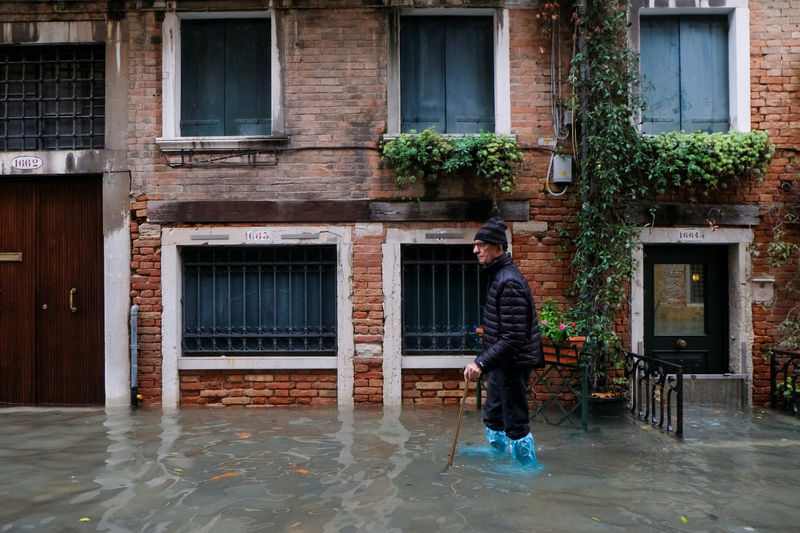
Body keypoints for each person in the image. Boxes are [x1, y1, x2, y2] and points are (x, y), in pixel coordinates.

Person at [463, 217, 544, 465]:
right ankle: (497, 457)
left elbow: (514, 337)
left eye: (481, 244)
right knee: (494, 415)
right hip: (501, 363)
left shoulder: (509, 281)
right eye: (476, 244)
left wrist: (481, 364)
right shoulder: (499, 276)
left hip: (513, 363)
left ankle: (528, 469)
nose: (475, 249)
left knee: (515, 419)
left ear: (498, 246)